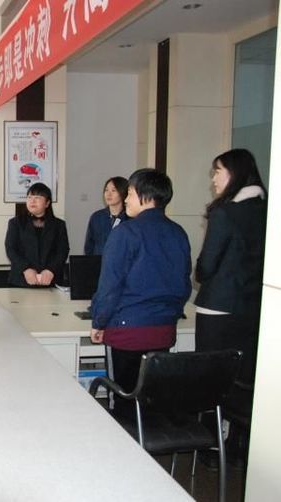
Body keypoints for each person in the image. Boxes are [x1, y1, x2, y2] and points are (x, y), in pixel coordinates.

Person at [90, 169, 191, 404]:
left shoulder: (125, 233)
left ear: (146, 196)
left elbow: (110, 287)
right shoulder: (178, 233)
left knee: (124, 399)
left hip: (127, 332)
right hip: (164, 331)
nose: (126, 199)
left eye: (130, 193)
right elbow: (184, 283)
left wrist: (99, 321)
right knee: (151, 399)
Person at [194, 148, 267, 465]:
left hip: (218, 307)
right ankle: (239, 443)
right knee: (243, 378)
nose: (213, 178)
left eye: (218, 171)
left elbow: (206, 267)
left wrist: (199, 270)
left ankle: (212, 446)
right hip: (252, 308)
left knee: (211, 377)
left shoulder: (225, 213)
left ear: (235, 173)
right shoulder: (267, 210)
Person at [4, 182, 69, 287]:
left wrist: (51, 270)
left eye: (37, 197)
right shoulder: (15, 223)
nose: (32, 201)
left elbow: (63, 250)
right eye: (29, 197)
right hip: (21, 280)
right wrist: (26, 269)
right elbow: (11, 249)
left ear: (47, 203)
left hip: (50, 280)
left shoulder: (59, 225)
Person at [84, 176, 129, 255]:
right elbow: (89, 246)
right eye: (106, 190)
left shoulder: (130, 218)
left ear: (123, 193)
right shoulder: (97, 217)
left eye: (113, 190)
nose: (108, 194)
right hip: (99, 260)